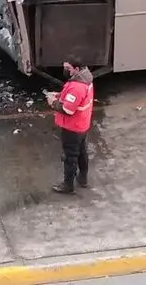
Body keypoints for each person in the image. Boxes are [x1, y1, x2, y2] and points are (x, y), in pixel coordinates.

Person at [45, 61, 95, 194]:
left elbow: (68, 109)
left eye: (68, 68)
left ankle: (68, 185)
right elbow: (76, 100)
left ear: (76, 69)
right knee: (82, 153)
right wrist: (59, 95)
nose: (65, 70)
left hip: (72, 128)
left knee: (70, 157)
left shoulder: (76, 87)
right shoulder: (86, 80)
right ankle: (82, 179)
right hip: (82, 125)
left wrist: (53, 102)